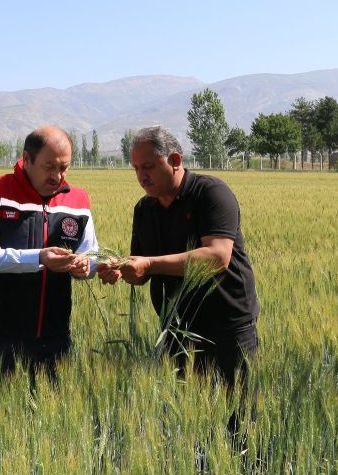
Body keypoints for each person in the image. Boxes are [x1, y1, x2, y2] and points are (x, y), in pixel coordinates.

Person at [100, 126, 260, 390]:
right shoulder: (144, 209)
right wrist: (123, 269)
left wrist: (149, 263)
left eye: (148, 166)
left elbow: (217, 257)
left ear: (175, 161)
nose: (141, 176)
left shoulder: (210, 193)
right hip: (175, 328)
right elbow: (144, 271)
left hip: (227, 327)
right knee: (187, 421)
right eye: (136, 168)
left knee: (238, 420)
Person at [0, 125, 97, 380]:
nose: (58, 176)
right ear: (26, 159)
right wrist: (38, 258)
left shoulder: (78, 201)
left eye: (64, 167)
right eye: (49, 167)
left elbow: (91, 253)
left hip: (55, 340)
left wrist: (86, 266)